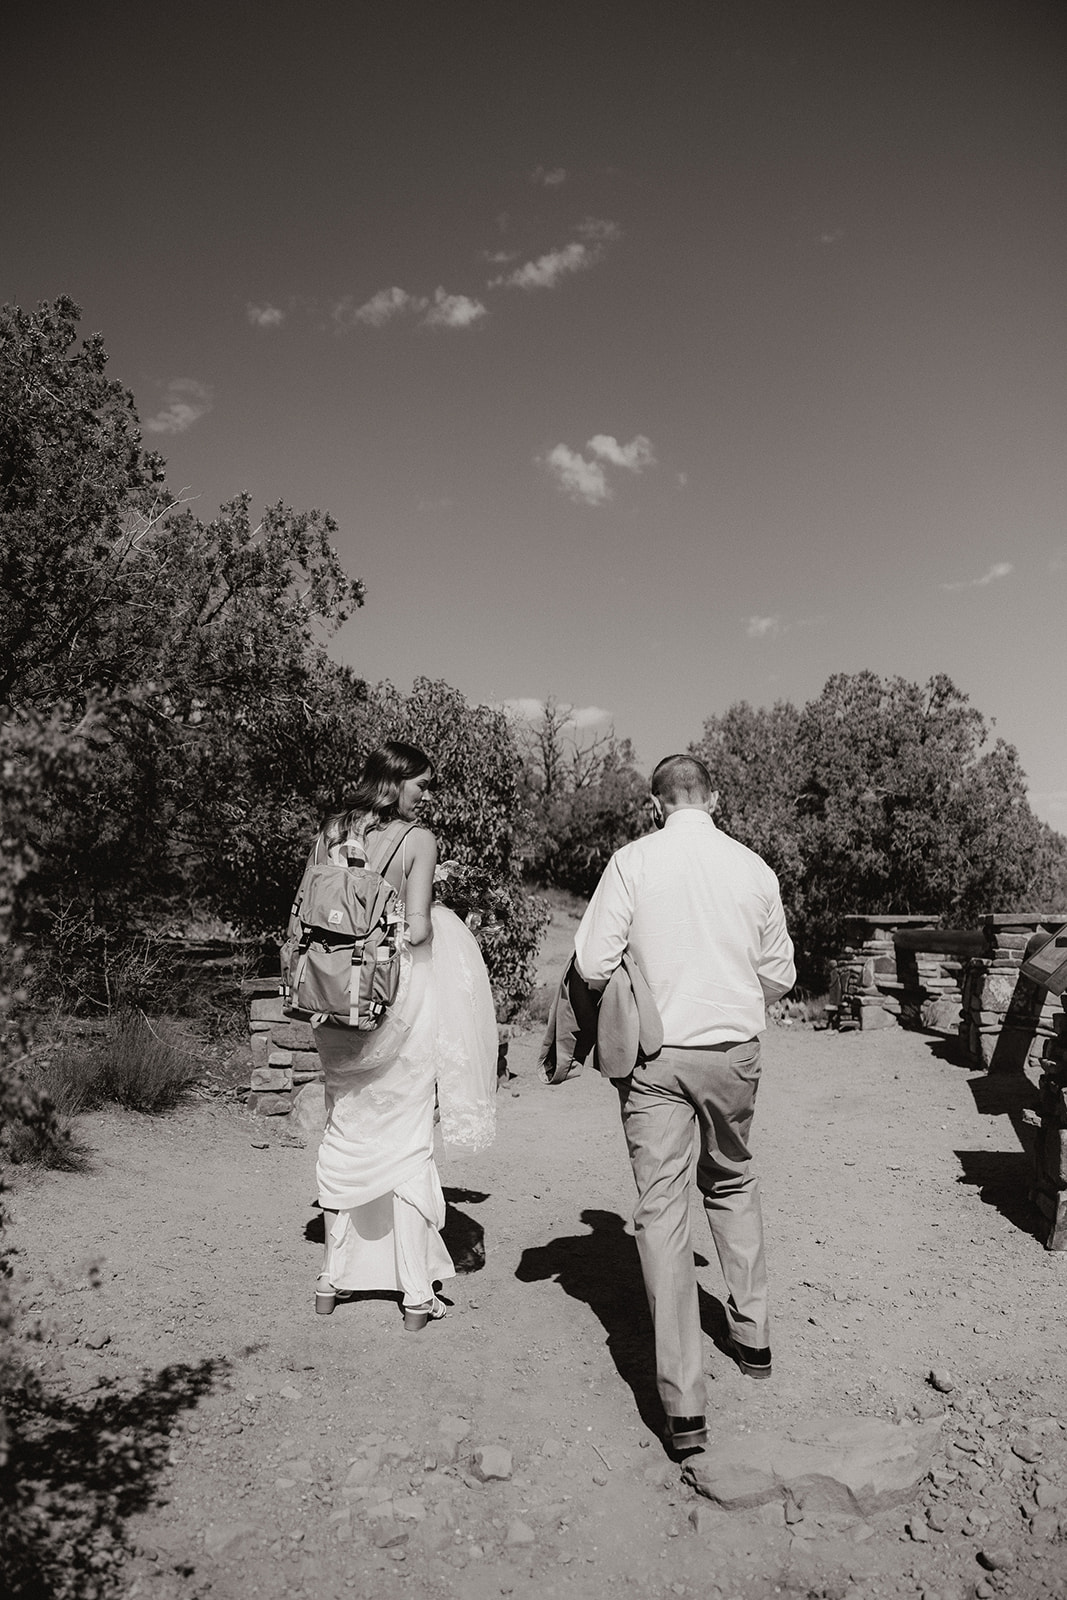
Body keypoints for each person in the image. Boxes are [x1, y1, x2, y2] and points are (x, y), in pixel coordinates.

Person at [573, 754, 795, 1452]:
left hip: (655, 1057)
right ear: (715, 797)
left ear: (654, 803)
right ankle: (753, 1338)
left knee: (661, 1213)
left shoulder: (631, 863)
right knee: (731, 1179)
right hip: (731, 1052)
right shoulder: (754, 869)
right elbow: (780, 976)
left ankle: (684, 1407)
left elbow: (589, 963)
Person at [311, 741, 498, 1331]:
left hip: (335, 1000)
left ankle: (332, 1280)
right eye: (423, 784)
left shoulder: (332, 829)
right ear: (395, 783)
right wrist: (436, 915)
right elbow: (416, 933)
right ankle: (414, 1293)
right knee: (408, 1134)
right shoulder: (417, 840)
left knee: (349, 1126)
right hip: (396, 1001)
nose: (429, 795)